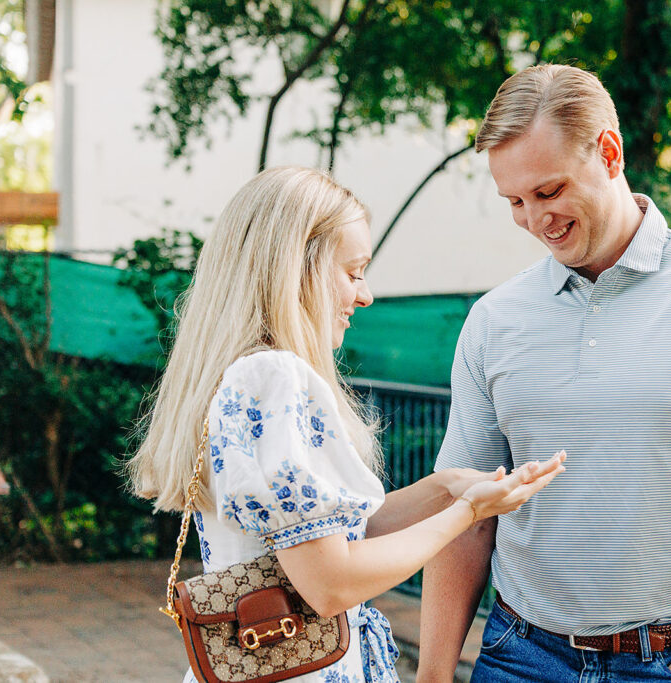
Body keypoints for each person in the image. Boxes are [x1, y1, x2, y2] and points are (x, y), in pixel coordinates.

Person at [417, 65, 671, 683]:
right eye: (516, 201)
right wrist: (430, 675)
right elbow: (466, 510)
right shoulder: (492, 320)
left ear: (609, 152)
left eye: (550, 191)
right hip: (519, 657)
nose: (537, 220)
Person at [125, 166, 565, 683]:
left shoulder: (242, 375)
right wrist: (467, 513)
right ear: (296, 269)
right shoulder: (276, 376)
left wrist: (445, 488)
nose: (365, 295)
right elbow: (330, 582)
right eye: (354, 272)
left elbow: (329, 538)